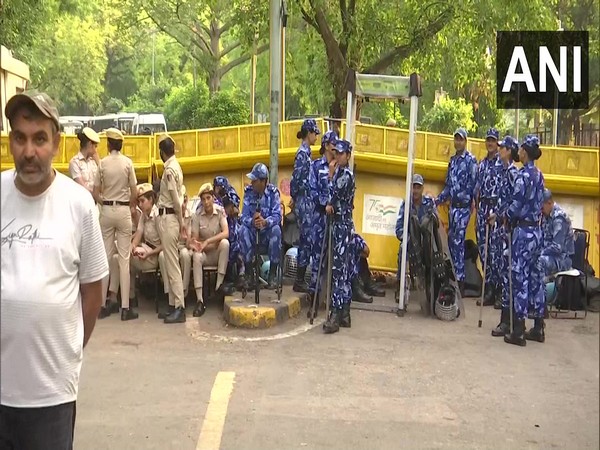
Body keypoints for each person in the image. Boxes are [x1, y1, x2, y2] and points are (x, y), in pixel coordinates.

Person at [1, 90, 108, 449]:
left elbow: (94, 288)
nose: (29, 151)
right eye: (20, 138)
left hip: (51, 395)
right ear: (10, 141)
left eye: (39, 139)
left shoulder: (77, 205)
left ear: (57, 144)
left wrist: (71, 349)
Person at [504, 135, 545, 346]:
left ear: (525, 152)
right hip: (537, 232)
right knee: (536, 278)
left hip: (523, 232)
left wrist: (505, 217)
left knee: (520, 279)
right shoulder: (539, 175)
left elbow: (516, 206)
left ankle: (518, 330)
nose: (517, 152)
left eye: (520, 148)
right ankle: (538, 327)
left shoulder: (522, 177)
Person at [93, 128, 138, 320]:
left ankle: (102, 305)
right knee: (124, 259)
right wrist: (131, 205)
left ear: (109, 144)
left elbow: (95, 191)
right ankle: (126, 307)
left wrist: (104, 202)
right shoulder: (127, 163)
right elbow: (134, 190)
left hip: (107, 211)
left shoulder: (102, 163)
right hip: (123, 210)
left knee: (105, 258)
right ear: (121, 145)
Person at [434, 127, 478, 296]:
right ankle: (454, 279)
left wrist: (476, 204)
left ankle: (460, 280)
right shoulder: (452, 161)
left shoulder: (471, 161)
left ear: (465, 141)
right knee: (452, 243)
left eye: (461, 139)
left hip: (464, 208)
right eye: (456, 139)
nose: (458, 142)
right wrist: (437, 200)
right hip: (453, 208)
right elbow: (448, 187)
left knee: (457, 242)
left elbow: (474, 185)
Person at [323, 139, 355, 334]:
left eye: (341, 154)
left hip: (342, 225)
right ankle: (344, 312)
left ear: (348, 156)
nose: (337, 156)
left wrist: (330, 176)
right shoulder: (342, 174)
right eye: (336, 153)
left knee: (338, 271)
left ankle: (336, 313)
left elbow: (332, 196)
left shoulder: (345, 176)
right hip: (338, 225)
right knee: (341, 271)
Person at [488, 136, 520, 336]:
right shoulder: (503, 171)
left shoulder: (513, 173)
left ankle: (507, 322)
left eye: (502, 148)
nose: (499, 150)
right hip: (501, 227)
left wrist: (501, 216)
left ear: (509, 151)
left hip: (509, 229)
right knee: (501, 270)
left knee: (508, 275)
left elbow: (513, 202)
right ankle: (506, 320)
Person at [156, 134, 187, 324]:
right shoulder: (177, 166)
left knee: (172, 265)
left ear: (161, 152)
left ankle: (179, 307)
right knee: (169, 262)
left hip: (169, 218)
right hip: (169, 217)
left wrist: (181, 222)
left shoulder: (169, 171)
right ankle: (173, 303)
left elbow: (176, 200)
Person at [238, 163, 283, 290]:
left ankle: (272, 275)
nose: (252, 183)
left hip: (266, 233)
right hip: (253, 233)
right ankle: (248, 274)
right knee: (242, 230)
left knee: (276, 230)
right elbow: (243, 216)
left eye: (255, 180)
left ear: (263, 181)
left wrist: (265, 222)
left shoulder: (273, 193)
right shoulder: (248, 192)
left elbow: (277, 216)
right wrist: (252, 221)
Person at [189, 183, 230, 316]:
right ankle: (200, 300)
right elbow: (195, 241)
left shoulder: (220, 211)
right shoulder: (196, 216)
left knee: (225, 243)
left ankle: (218, 287)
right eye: (203, 199)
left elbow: (226, 232)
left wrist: (207, 241)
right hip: (205, 254)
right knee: (196, 256)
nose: (206, 202)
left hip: (216, 251)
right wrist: (203, 245)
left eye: (208, 198)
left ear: (213, 198)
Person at [128, 183, 168, 319]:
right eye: (138, 201)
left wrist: (149, 253)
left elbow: (165, 245)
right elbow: (138, 235)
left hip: (156, 253)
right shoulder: (144, 216)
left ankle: (168, 300)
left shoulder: (158, 216)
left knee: (128, 260)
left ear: (151, 199)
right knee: (124, 257)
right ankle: (131, 297)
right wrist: (132, 247)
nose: (140, 204)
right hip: (147, 249)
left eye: (142, 201)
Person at [307, 130, 337, 311]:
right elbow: (312, 190)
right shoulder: (316, 166)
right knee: (317, 258)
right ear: (326, 145)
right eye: (334, 145)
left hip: (336, 218)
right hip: (319, 218)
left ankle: (334, 301)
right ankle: (314, 297)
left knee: (334, 260)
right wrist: (324, 203)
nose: (336, 149)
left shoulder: (341, 167)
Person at [291, 119, 320, 293]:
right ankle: (300, 279)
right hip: (304, 201)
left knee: (307, 239)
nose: (316, 136)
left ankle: (301, 278)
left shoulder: (307, 153)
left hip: (306, 201)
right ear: (308, 133)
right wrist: (296, 198)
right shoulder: (302, 154)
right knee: (306, 239)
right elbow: (296, 179)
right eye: (314, 133)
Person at [475, 128, 503, 306]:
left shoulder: (503, 164)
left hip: (496, 208)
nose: (490, 143)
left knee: (497, 252)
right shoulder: (482, 164)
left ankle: (500, 291)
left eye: (493, 140)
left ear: (498, 143)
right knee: (484, 250)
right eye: (488, 140)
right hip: (483, 208)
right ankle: (489, 288)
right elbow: (477, 187)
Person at [396, 173, 437, 272]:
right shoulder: (406, 204)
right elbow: (399, 229)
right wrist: (410, 240)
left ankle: (431, 282)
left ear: (422, 189)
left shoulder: (429, 203)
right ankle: (402, 281)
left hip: (427, 242)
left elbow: (436, 224)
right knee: (403, 248)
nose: (416, 191)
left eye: (418, 188)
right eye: (414, 187)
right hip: (411, 242)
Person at [213, 176, 243, 292]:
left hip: (232, 225)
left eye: (220, 187)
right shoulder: (213, 198)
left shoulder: (230, 193)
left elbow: (235, 210)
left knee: (239, 238)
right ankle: (227, 276)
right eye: (217, 187)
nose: (218, 189)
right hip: (219, 229)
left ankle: (241, 274)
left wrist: (230, 206)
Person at [540, 189, 574, 277]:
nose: (541, 211)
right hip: (550, 255)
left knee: (538, 262)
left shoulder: (559, 217)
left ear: (549, 203)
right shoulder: (546, 216)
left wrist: (539, 252)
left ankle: (540, 289)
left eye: (542, 207)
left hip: (562, 258)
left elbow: (557, 247)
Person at [69, 127, 100, 195]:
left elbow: (104, 181)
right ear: (90, 144)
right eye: (95, 146)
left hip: (96, 202)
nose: (96, 150)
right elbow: (81, 185)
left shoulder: (94, 161)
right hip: (83, 200)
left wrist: (99, 163)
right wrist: (96, 196)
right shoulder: (75, 162)